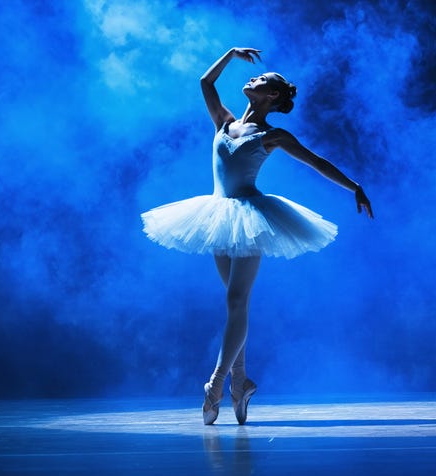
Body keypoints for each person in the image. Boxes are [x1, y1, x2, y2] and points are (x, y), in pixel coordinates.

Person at [141, 47, 373, 425]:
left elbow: (316, 162)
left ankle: (216, 385)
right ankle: (241, 382)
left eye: (261, 80)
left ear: (273, 96)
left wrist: (354, 186)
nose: (252, 80)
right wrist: (230, 54)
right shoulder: (223, 121)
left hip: (250, 217)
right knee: (236, 306)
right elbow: (205, 81)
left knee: (236, 300)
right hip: (217, 215)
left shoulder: (274, 136)